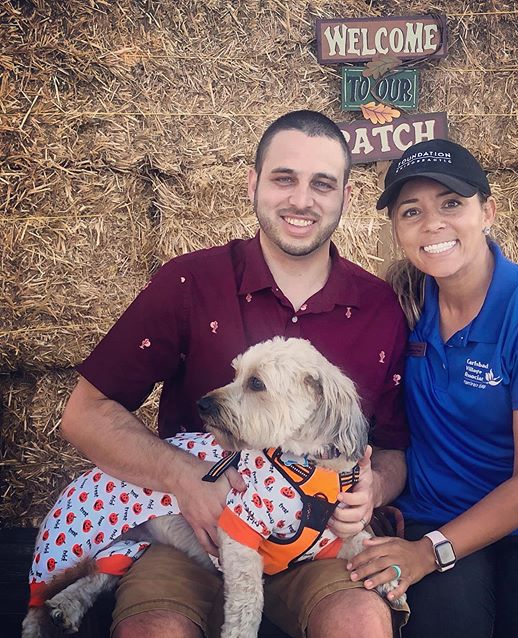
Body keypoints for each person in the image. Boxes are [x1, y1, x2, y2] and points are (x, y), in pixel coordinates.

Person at [59, 110, 410, 638]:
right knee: (153, 629)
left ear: (346, 195)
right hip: (193, 534)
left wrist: (375, 488)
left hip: (317, 538)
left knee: (360, 622)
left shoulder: (379, 308)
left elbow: (393, 449)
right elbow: (84, 414)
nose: (301, 200)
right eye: (283, 178)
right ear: (252, 183)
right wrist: (183, 477)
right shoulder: (189, 282)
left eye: (322, 184)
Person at [346, 138, 518, 637]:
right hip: (432, 516)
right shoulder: (398, 307)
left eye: (452, 203)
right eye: (412, 211)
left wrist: (429, 554)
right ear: (397, 231)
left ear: (488, 211)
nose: (433, 223)